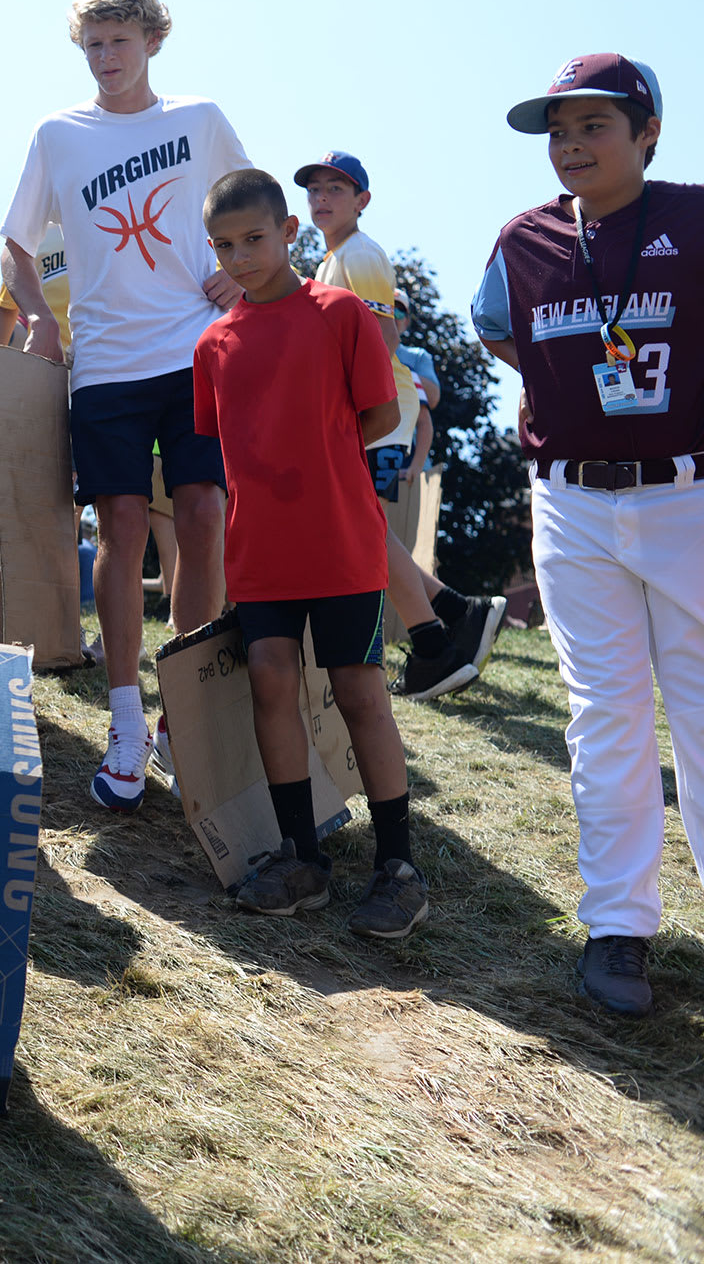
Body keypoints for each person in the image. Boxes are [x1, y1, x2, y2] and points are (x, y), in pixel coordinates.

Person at [471, 52, 703, 1017]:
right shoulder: (522, 239)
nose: (571, 145)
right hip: (569, 500)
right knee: (605, 715)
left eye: (594, 127)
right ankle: (618, 929)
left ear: (647, 132)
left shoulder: (694, 218)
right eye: (558, 132)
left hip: (687, 497)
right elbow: (496, 329)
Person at [0, 0, 249, 811]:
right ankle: (127, 720)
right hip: (104, 363)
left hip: (193, 353)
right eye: (94, 44)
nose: (107, 57)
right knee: (122, 527)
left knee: (206, 514)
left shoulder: (199, 119)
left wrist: (234, 274)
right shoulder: (56, 134)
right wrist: (38, 315)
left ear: (152, 41)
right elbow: (14, 245)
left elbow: (255, 210)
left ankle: (186, 707)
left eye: (120, 40)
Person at [195, 169, 429, 937]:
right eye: (223, 246)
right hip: (259, 554)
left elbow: (381, 414)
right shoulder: (213, 345)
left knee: (360, 691)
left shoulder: (340, 315)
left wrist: (316, 464)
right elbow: (222, 446)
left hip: (338, 544)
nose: (240, 257)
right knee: (270, 681)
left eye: (254, 239)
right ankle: (303, 858)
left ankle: (397, 865)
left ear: (289, 230)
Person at [294, 151, 507, 700]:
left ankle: (434, 644)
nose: (322, 198)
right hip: (371, 411)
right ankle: (455, 615)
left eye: (336, 189)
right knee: (367, 528)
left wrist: (347, 411)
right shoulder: (332, 259)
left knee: (361, 531)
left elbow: (382, 338)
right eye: (314, 189)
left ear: (362, 201)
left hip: (376, 413)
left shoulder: (359, 253)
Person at [392, 288, 439, 482]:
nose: (392, 315)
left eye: (399, 311)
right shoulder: (359, 352)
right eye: (386, 308)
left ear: (406, 321)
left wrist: (415, 467)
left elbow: (432, 400)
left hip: (407, 465)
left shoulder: (417, 357)